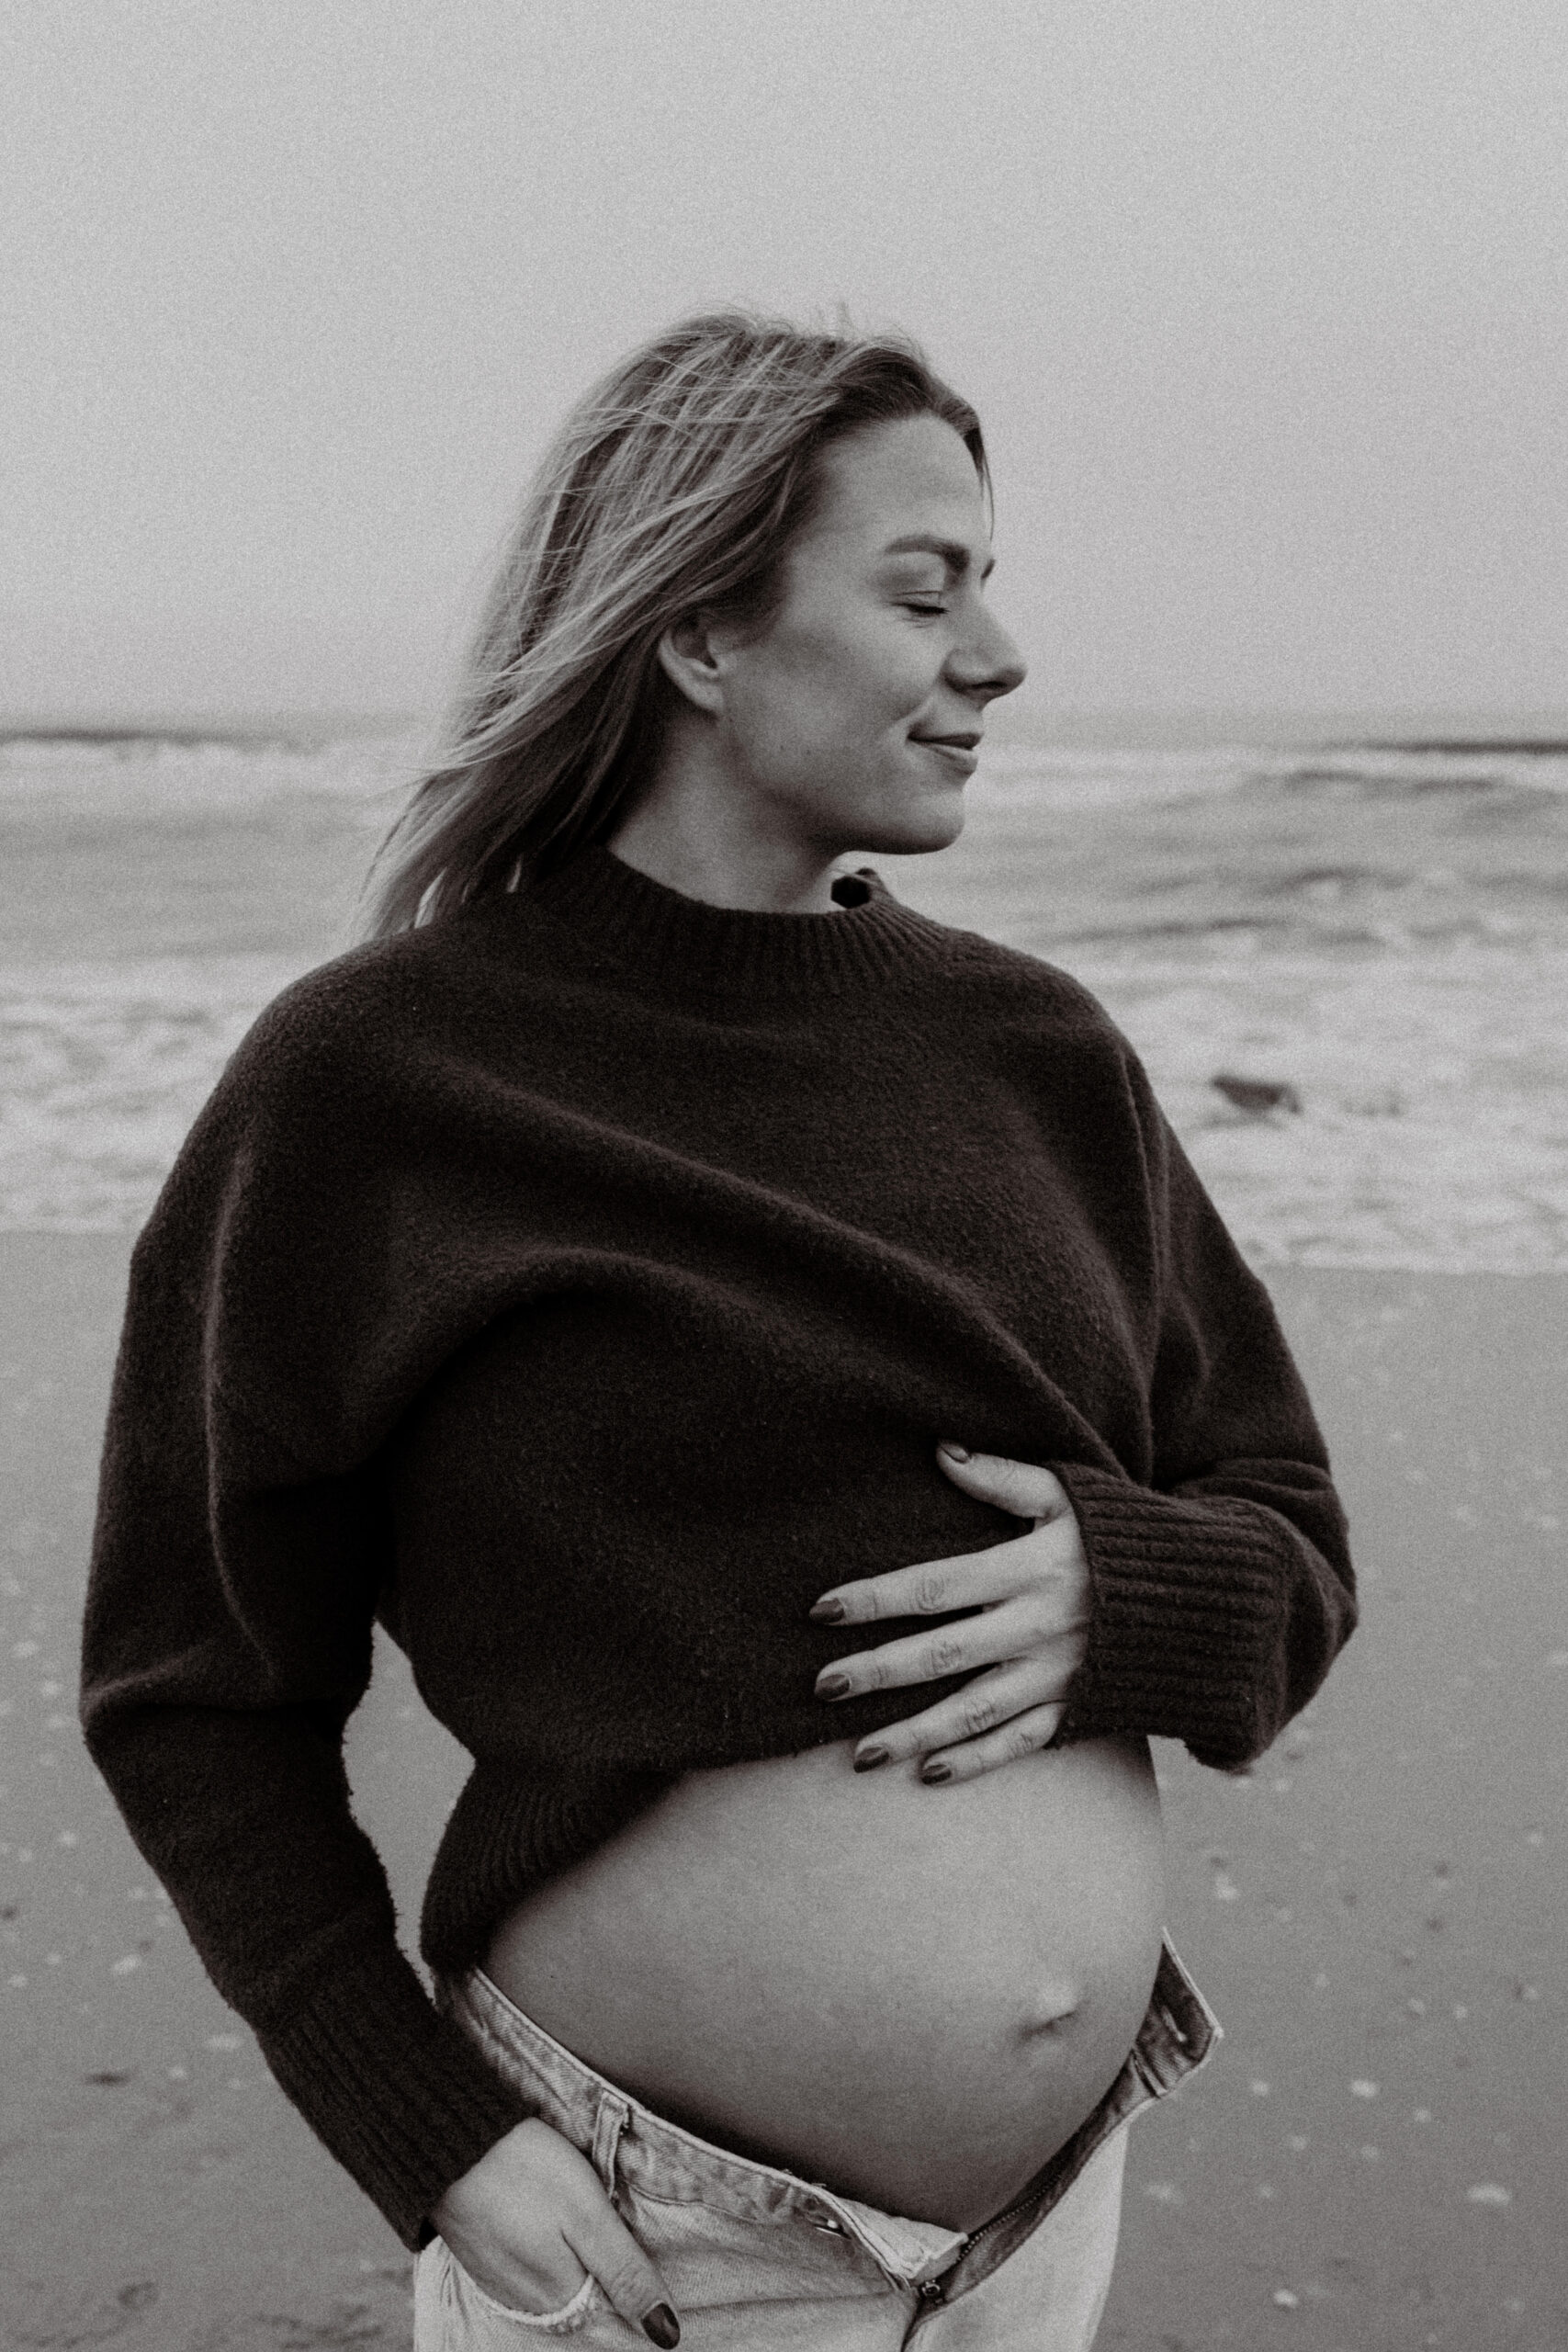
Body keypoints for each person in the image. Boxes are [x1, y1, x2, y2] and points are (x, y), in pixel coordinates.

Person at [80, 312, 1357, 2351]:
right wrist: (418, 2127)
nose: (1000, 657)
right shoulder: (378, 1081)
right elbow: (192, 1686)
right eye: (923, 591)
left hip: (1049, 2219)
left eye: (989, 586)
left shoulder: (1036, 1052)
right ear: (696, 628)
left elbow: (1284, 1517)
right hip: (652, 2241)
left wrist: (1127, 1594)